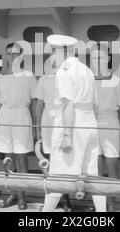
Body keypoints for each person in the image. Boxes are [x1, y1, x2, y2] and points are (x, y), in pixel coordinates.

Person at [42, 34, 106, 212]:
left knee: (58, 177)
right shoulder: (86, 69)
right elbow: (95, 105)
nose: (51, 57)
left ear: (58, 51)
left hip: (73, 124)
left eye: (52, 52)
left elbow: (68, 104)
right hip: (89, 123)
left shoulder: (64, 70)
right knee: (93, 177)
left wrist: (67, 136)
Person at [0, 42, 37, 210]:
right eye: (10, 53)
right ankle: (12, 194)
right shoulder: (0, 77)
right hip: (5, 116)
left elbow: (34, 103)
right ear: (6, 56)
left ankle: (22, 197)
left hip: (22, 115)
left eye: (16, 53)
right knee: (8, 159)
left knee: (22, 158)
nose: (13, 56)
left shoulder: (29, 76)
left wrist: (34, 127)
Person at [34, 56, 73, 212]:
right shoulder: (43, 79)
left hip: (64, 117)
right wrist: (37, 128)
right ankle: (50, 198)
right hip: (47, 120)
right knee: (50, 159)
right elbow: (38, 104)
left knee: (65, 158)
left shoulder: (69, 77)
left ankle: (65, 199)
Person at [90, 44, 120, 212]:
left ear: (108, 59)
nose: (98, 61)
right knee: (95, 169)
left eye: (101, 57)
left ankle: (112, 205)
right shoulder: (87, 79)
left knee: (112, 166)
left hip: (111, 123)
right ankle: (99, 206)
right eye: (94, 57)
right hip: (91, 124)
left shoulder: (116, 81)